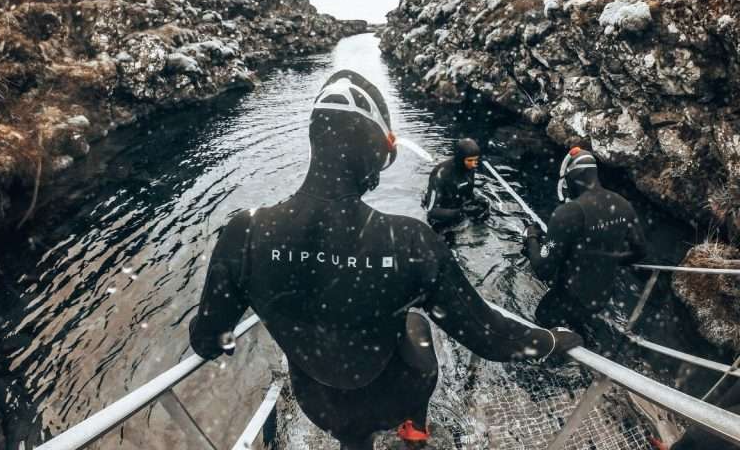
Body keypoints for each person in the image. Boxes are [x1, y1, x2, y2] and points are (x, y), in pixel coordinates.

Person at [190, 70, 583, 450]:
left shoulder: (244, 232)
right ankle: (415, 426)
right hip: (394, 398)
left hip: (320, 407)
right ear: (373, 148)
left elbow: (207, 339)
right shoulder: (409, 240)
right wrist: (555, 339)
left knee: (348, 419)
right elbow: (493, 339)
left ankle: (354, 443)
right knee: (415, 320)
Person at [523, 147, 647, 333]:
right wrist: (608, 258)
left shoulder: (566, 213)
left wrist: (531, 237)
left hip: (569, 298)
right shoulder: (623, 204)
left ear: (573, 177)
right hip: (601, 298)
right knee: (578, 320)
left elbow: (543, 270)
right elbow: (641, 251)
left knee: (542, 321)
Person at [422, 138, 490, 232]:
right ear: (460, 159)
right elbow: (431, 212)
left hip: (458, 207)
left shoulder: (470, 168)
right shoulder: (441, 174)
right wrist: (460, 212)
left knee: (483, 215)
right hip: (442, 214)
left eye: (475, 160)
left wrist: (477, 204)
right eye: (470, 160)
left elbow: (468, 194)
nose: (474, 164)